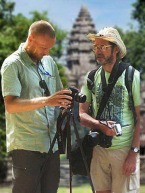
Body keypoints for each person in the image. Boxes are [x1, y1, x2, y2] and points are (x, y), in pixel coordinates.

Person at [1, 20, 72, 193]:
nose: (46, 52)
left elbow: (58, 95)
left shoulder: (49, 62)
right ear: (30, 39)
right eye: (43, 47)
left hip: (51, 144)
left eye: (49, 48)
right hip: (26, 145)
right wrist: (47, 101)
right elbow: (10, 105)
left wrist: (66, 101)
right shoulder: (13, 64)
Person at [79, 27, 140, 193]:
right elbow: (81, 114)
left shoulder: (131, 75)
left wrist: (133, 154)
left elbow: (140, 117)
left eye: (104, 47)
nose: (98, 51)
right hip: (99, 150)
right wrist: (100, 125)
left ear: (116, 49)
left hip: (124, 150)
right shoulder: (91, 77)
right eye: (96, 47)